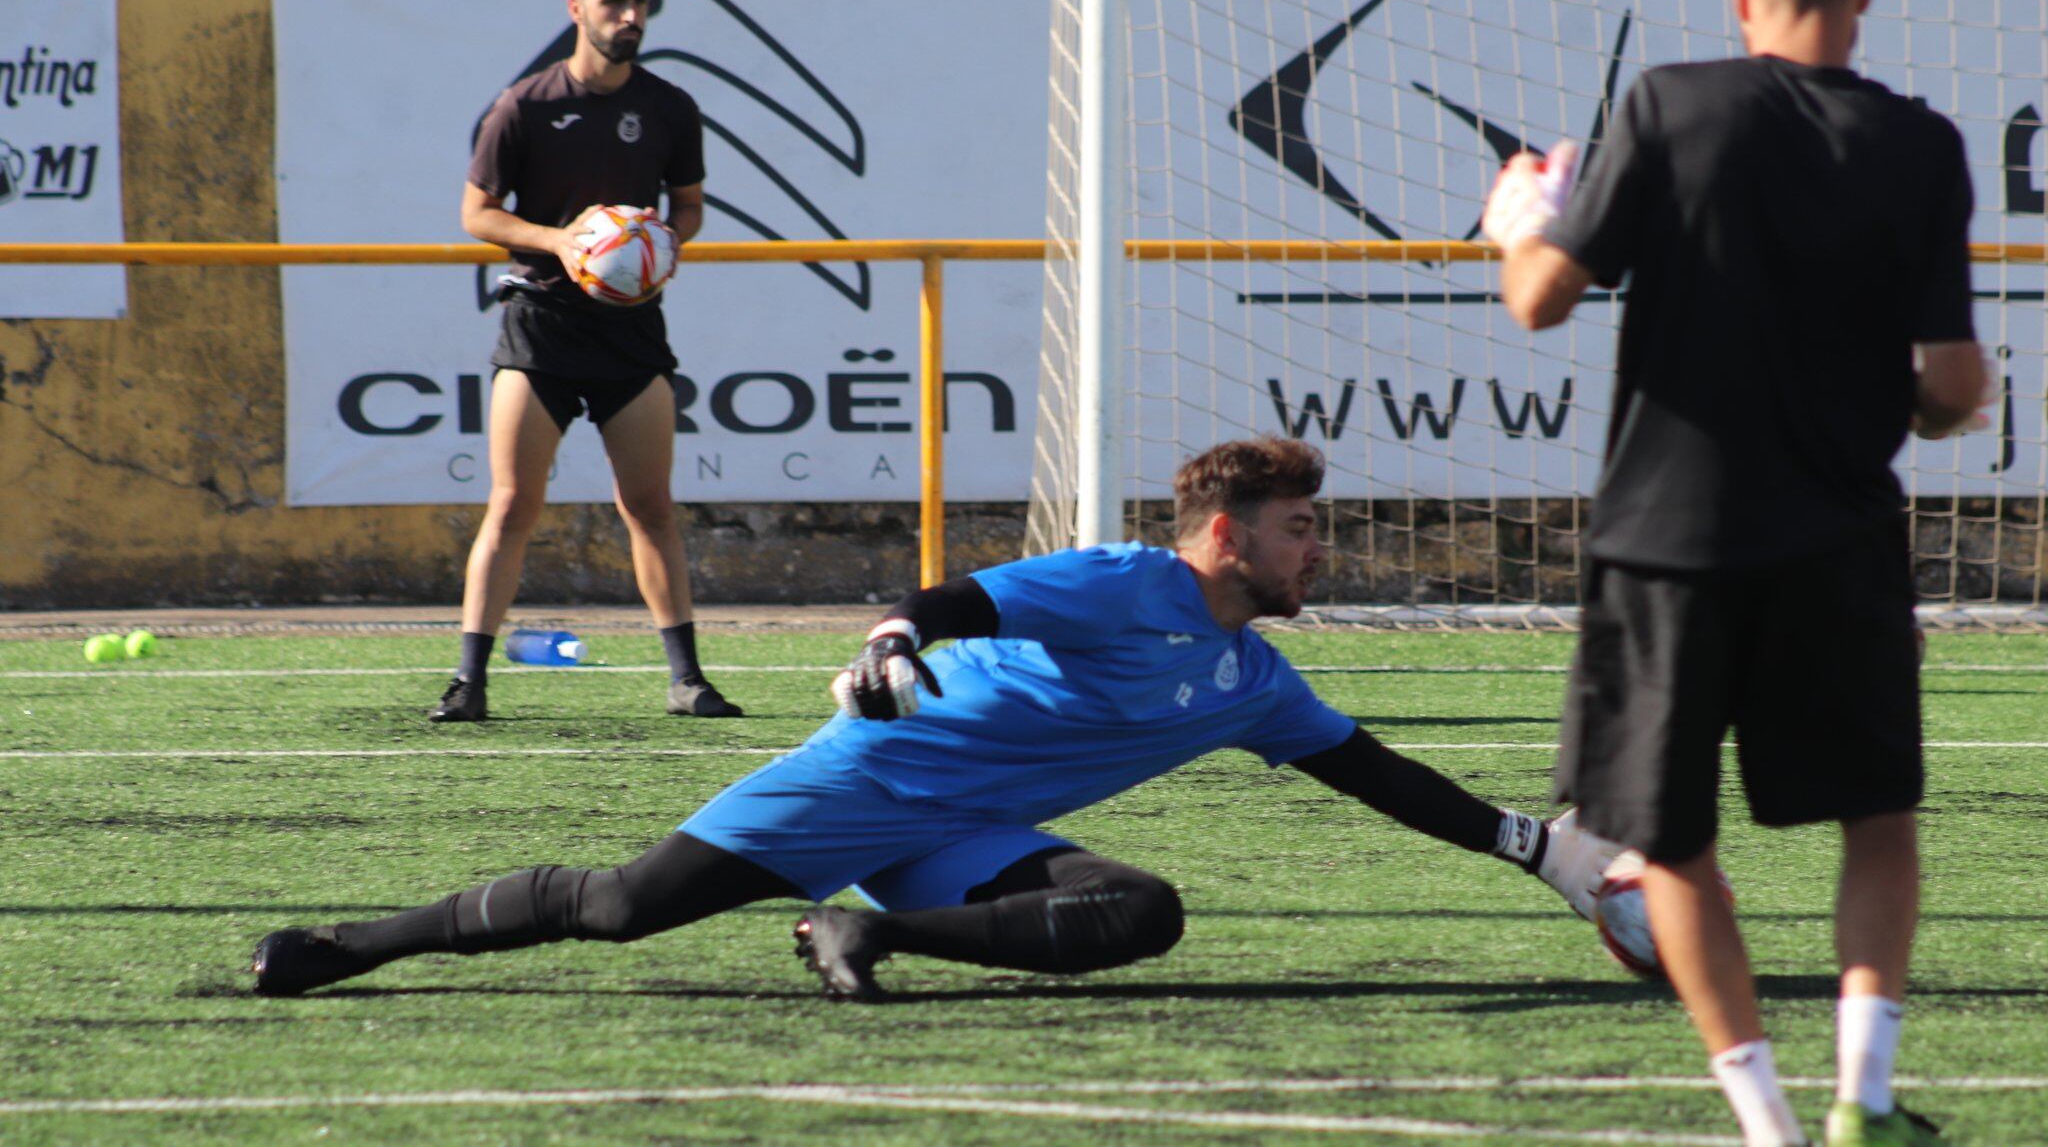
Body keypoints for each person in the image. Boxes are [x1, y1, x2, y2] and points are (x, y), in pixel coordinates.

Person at [253, 436, 1620, 1000]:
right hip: (873, 773)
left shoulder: (1257, 684)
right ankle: (340, 947)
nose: (1320, 552)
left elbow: (1374, 774)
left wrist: (1535, 849)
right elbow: (952, 595)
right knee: (618, 907)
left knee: (1139, 913)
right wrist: (893, 640)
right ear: (1225, 538)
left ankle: (871, 929)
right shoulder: (1132, 582)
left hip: (962, 838)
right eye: (1302, 530)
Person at [1483, 0, 1986, 1147]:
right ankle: (1861, 1102)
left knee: (1667, 842)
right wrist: (1943, 413)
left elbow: (1536, 300)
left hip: (1663, 545)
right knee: (1876, 822)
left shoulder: (1669, 104)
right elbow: (1946, 388)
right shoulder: (1920, 145)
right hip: (1836, 537)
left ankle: (1763, 1122)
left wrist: (1514, 222)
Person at [434, 0, 738, 724]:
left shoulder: (670, 106)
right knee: (511, 504)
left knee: (651, 505)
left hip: (630, 332)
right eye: (614, 1)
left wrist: (660, 246)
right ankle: (469, 682)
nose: (631, 15)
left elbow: (691, 205)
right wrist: (562, 241)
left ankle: (687, 679)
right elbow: (477, 214)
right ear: (577, 8)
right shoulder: (523, 106)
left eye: (640, 1)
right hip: (540, 326)